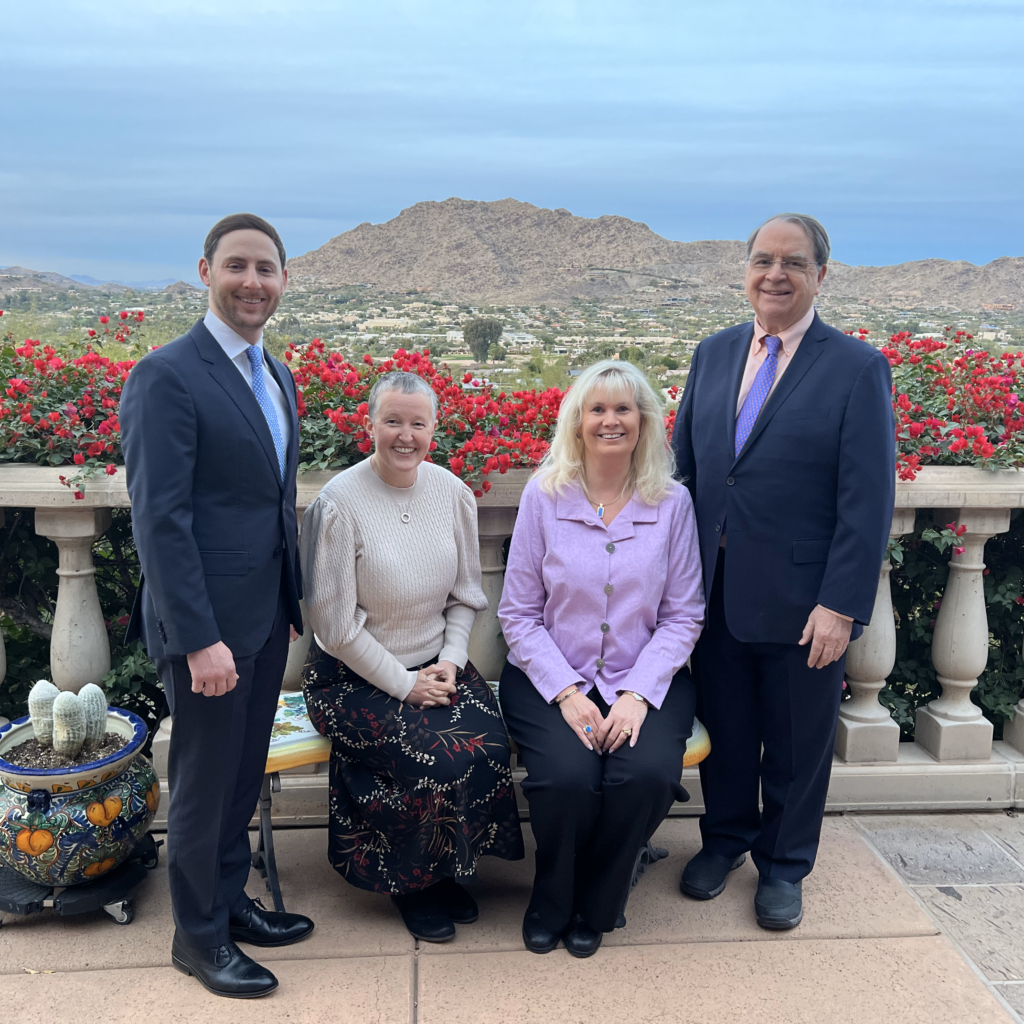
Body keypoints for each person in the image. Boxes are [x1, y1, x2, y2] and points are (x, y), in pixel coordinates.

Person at [672, 213, 895, 930]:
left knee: (798, 745)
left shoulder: (857, 368)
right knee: (728, 733)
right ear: (745, 271)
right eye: (763, 260)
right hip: (714, 591)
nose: (776, 274)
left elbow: (868, 501)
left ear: (820, 275)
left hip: (805, 601)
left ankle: (784, 864)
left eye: (793, 263)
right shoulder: (712, 355)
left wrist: (840, 604)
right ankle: (725, 840)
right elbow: (686, 475)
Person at [120, 213, 313, 999]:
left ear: (283, 281)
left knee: (240, 778)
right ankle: (197, 939)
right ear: (205, 271)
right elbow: (159, 521)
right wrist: (199, 640)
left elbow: (266, 501)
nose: (252, 282)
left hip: (264, 617)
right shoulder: (167, 374)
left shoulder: (275, 374)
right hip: (208, 632)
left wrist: (286, 603)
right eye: (237, 266)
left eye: (266, 269)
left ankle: (231, 904)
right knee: (203, 785)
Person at [299, 370, 524, 944]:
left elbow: (467, 594)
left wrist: (450, 659)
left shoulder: (451, 492)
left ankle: (448, 864)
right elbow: (335, 626)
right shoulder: (338, 504)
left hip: (434, 661)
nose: (405, 435)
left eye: (417, 423)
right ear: (368, 424)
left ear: (434, 428)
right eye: (392, 421)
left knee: (490, 742)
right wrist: (405, 685)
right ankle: (410, 883)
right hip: (351, 675)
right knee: (430, 754)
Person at [497, 360, 704, 959]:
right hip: (549, 676)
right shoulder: (545, 495)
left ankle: (600, 900)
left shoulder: (672, 505)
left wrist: (637, 695)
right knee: (567, 777)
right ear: (577, 421)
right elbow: (518, 614)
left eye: (624, 409)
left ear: (644, 422)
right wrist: (566, 693)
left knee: (644, 776)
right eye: (598, 409)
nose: (610, 420)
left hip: (646, 678)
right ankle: (551, 897)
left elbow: (684, 615)